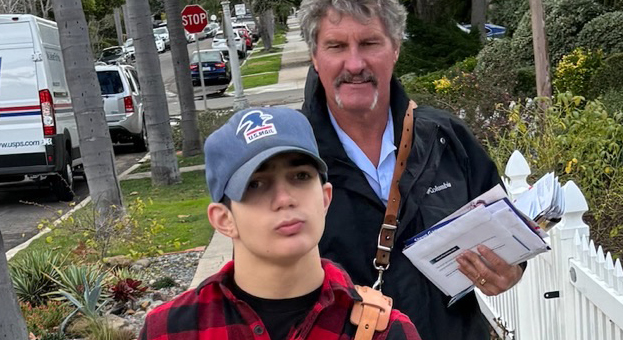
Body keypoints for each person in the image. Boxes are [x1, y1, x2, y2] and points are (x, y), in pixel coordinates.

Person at [299, 0, 525, 340]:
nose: (355, 64)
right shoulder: (291, 160)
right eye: (336, 46)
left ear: (396, 48)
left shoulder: (445, 138)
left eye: (370, 43)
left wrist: (510, 269)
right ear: (314, 55)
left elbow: (506, 233)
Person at [138, 107, 421, 340]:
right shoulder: (169, 331)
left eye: (300, 176)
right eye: (256, 184)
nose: (284, 199)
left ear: (325, 199)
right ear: (224, 220)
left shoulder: (385, 332)